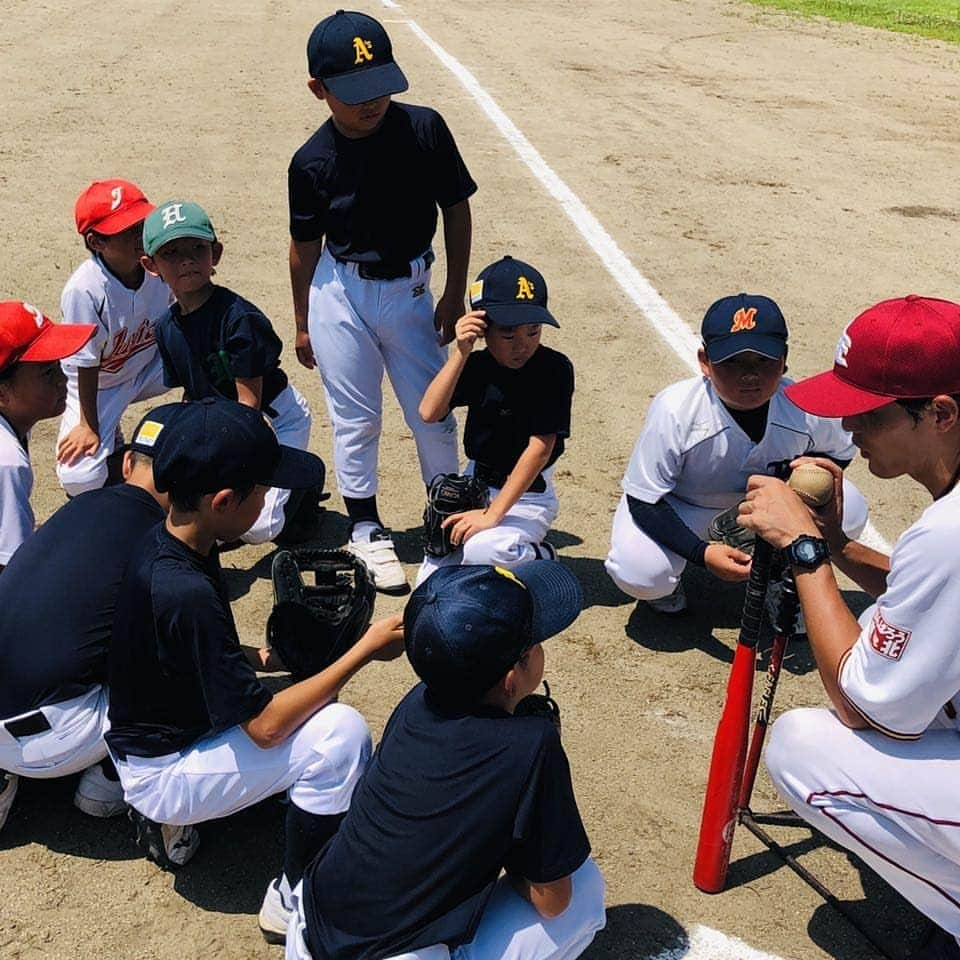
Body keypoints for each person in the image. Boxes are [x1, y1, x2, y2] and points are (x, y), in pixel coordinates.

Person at [103, 397, 403, 943]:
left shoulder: (176, 540)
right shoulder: (184, 588)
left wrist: (268, 661)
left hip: (156, 728)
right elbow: (264, 727)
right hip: (160, 771)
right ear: (222, 500)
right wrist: (359, 650)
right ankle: (292, 899)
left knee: (309, 700)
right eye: (263, 490)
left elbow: (197, 653)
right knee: (338, 735)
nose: (270, 498)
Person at [738, 295, 960, 960]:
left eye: (870, 411)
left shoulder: (949, 534)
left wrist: (804, 550)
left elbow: (865, 707)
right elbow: (936, 602)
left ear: (941, 414)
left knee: (802, 746)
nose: (849, 427)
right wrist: (837, 543)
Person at [285, 561, 606, 960]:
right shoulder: (532, 745)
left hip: (311, 927)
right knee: (585, 890)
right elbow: (551, 900)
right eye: (534, 643)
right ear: (511, 678)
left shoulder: (417, 699)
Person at [288, 9, 476, 592]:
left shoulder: (424, 129)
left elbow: (456, 208)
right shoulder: (311, 162)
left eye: (381, 87)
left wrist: (451, 290)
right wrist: (302, 324)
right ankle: (366, 527)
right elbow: (304, 248)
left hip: (414, 289)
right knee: (356, 420)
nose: (373, 103)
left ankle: (445, 521)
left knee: (434, 415)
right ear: (320, 90)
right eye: (355, 93)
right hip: (339, 293)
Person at [605, 292, 868, 614]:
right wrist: (701, 553)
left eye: (763, 361)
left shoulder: (804, 407)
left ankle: (782, 572)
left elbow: (839, 452)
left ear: (784, 359)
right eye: (732, 362)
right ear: (705, 362)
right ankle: (666, 584)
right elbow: (644, 500)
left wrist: (795, 497)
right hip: (684, 508)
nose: (749, 375)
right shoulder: (676, 410)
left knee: (849, 507)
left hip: (764, 509)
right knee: (641, 573)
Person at [0, 403, 178, 834]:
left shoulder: (82, 505)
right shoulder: (163, 540)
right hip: (55, 742)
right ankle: (112, 782)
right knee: (173, 653)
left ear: (128, 462)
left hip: (9, 713)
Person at [141, 200, 317, 545]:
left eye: (197, 248)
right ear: (151, 265)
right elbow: (190, 396)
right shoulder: (165, 327)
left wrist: (224, 473)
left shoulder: (239, 318)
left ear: (215, 254)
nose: (187, 259)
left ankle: (304, 485)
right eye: (171, 253)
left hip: (273, 419)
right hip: (222, 419)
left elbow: (247, 407)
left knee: (258, 528)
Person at [416, 256, 574, 585]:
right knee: (431, 579)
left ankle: (542, 555)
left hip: (528, 495)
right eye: (508, 334)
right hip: (476, 484)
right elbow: (429, 412)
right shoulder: (476, 366)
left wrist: (492, 515)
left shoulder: (554, 369)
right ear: (482, 328)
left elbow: (540, 449)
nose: (523, 344)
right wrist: (460, 351)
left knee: (484, 551)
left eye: (533, 331)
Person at [55, 179, 171, 496]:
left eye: (141, 223)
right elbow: (87, 363)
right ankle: (116, 452)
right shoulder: (85, 289)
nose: (139, 234)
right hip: (98, 384)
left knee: (215, 361)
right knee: (79, 477)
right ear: (96, 242)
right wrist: (89, 426)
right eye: (126, 229)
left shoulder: (160, 261)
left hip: (149, 367)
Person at [0, 301, 96, 571]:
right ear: (2, 394)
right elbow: (10, 573)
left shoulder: (12, 423)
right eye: (47, 372)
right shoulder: (7, 461)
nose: (62, 379)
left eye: (58, 365)